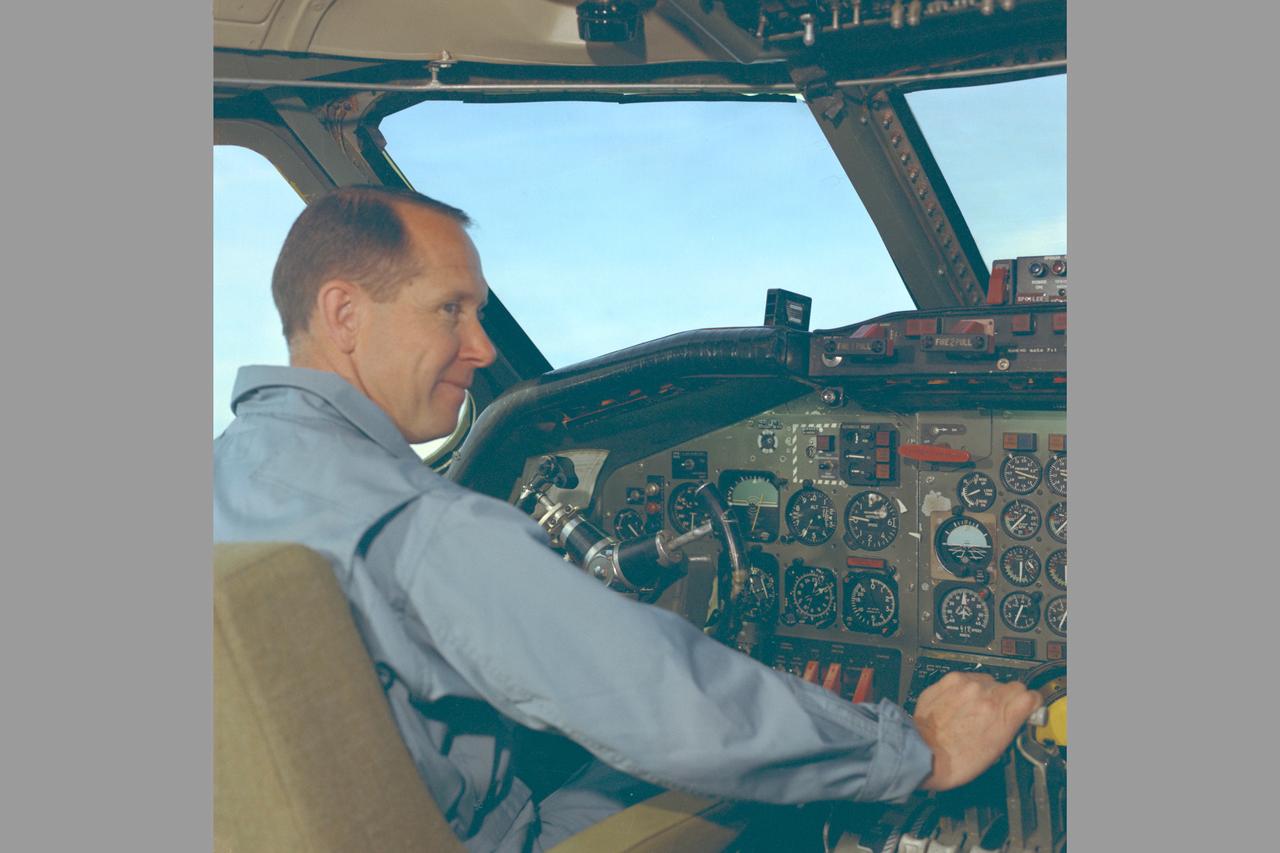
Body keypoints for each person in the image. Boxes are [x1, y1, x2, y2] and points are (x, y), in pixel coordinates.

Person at [214, 185, 1042, 852]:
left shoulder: (227, 471)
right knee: (754, 786)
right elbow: (666, 705)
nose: (485, 346)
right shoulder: (422, 527)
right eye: (450, 310)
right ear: (344, 313)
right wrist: (919, 746)